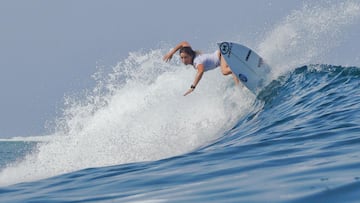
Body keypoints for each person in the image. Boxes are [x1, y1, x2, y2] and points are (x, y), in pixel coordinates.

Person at [163, 41, 239, 96]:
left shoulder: (196, 61)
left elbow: (201, 71)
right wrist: (171, 53)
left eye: (185, 57)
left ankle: (238, 84)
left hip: (221, 55)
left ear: (190, 56)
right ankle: (239, 86)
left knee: (225, 71)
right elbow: (184, 43)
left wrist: (193, 87)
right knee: (228, 71)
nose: (183, 60)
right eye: (182, 58)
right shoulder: (192, 54)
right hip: (221, 55)